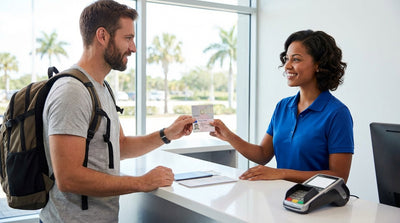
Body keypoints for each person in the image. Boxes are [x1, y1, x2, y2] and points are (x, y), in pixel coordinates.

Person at [39, 1, 195, 222]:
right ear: (102, 36)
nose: (133, 48)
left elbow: (118, 146)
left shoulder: (101, 87)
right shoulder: (72, 92)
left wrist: (167, 134)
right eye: (128, 38)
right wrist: (141, 182)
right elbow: (69, 178)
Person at [210, 30, 354, 184]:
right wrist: (228, 136)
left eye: (296, 59)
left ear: (318, 65)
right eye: (286, 59)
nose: (287, 66)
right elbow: (263, 154)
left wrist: (281, 173)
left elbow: (339, 176)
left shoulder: (337, 113)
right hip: (282, 198)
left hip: (319, 203)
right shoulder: (283, 106)